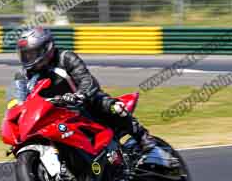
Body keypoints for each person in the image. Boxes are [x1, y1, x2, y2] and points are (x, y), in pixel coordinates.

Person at [12, 26, 156, 153]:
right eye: (25, 54)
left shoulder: (65, 58)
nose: (27, 58)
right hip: (55, 113)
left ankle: (142, 136)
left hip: (86, 102)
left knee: (114, 108)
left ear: (46, 49)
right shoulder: (23, 75)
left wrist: (80, 95)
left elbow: (86, 79)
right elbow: (20, 100)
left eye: (31, 54)